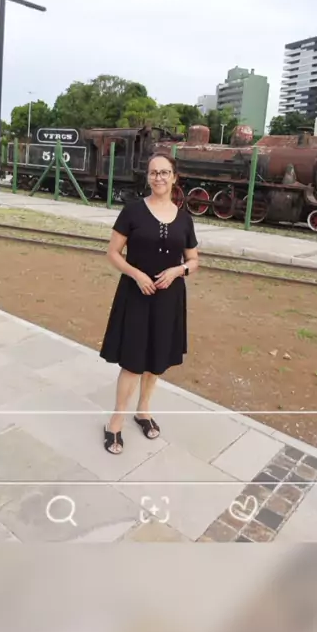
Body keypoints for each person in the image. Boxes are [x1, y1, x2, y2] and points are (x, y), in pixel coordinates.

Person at [100, 153, 199, 454]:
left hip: (169, 298)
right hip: (136, 295)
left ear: (174, 177)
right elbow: (113, 253)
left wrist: (178, 271)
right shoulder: (132, 211)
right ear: (148, 177)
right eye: (154, 172)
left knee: (157, 359)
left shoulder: (184, 219)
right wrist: (136, 274)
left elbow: (193, 260)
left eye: (164, 172)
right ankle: (115, 421)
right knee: (132, 362)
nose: (159, 177)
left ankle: (143, 411)